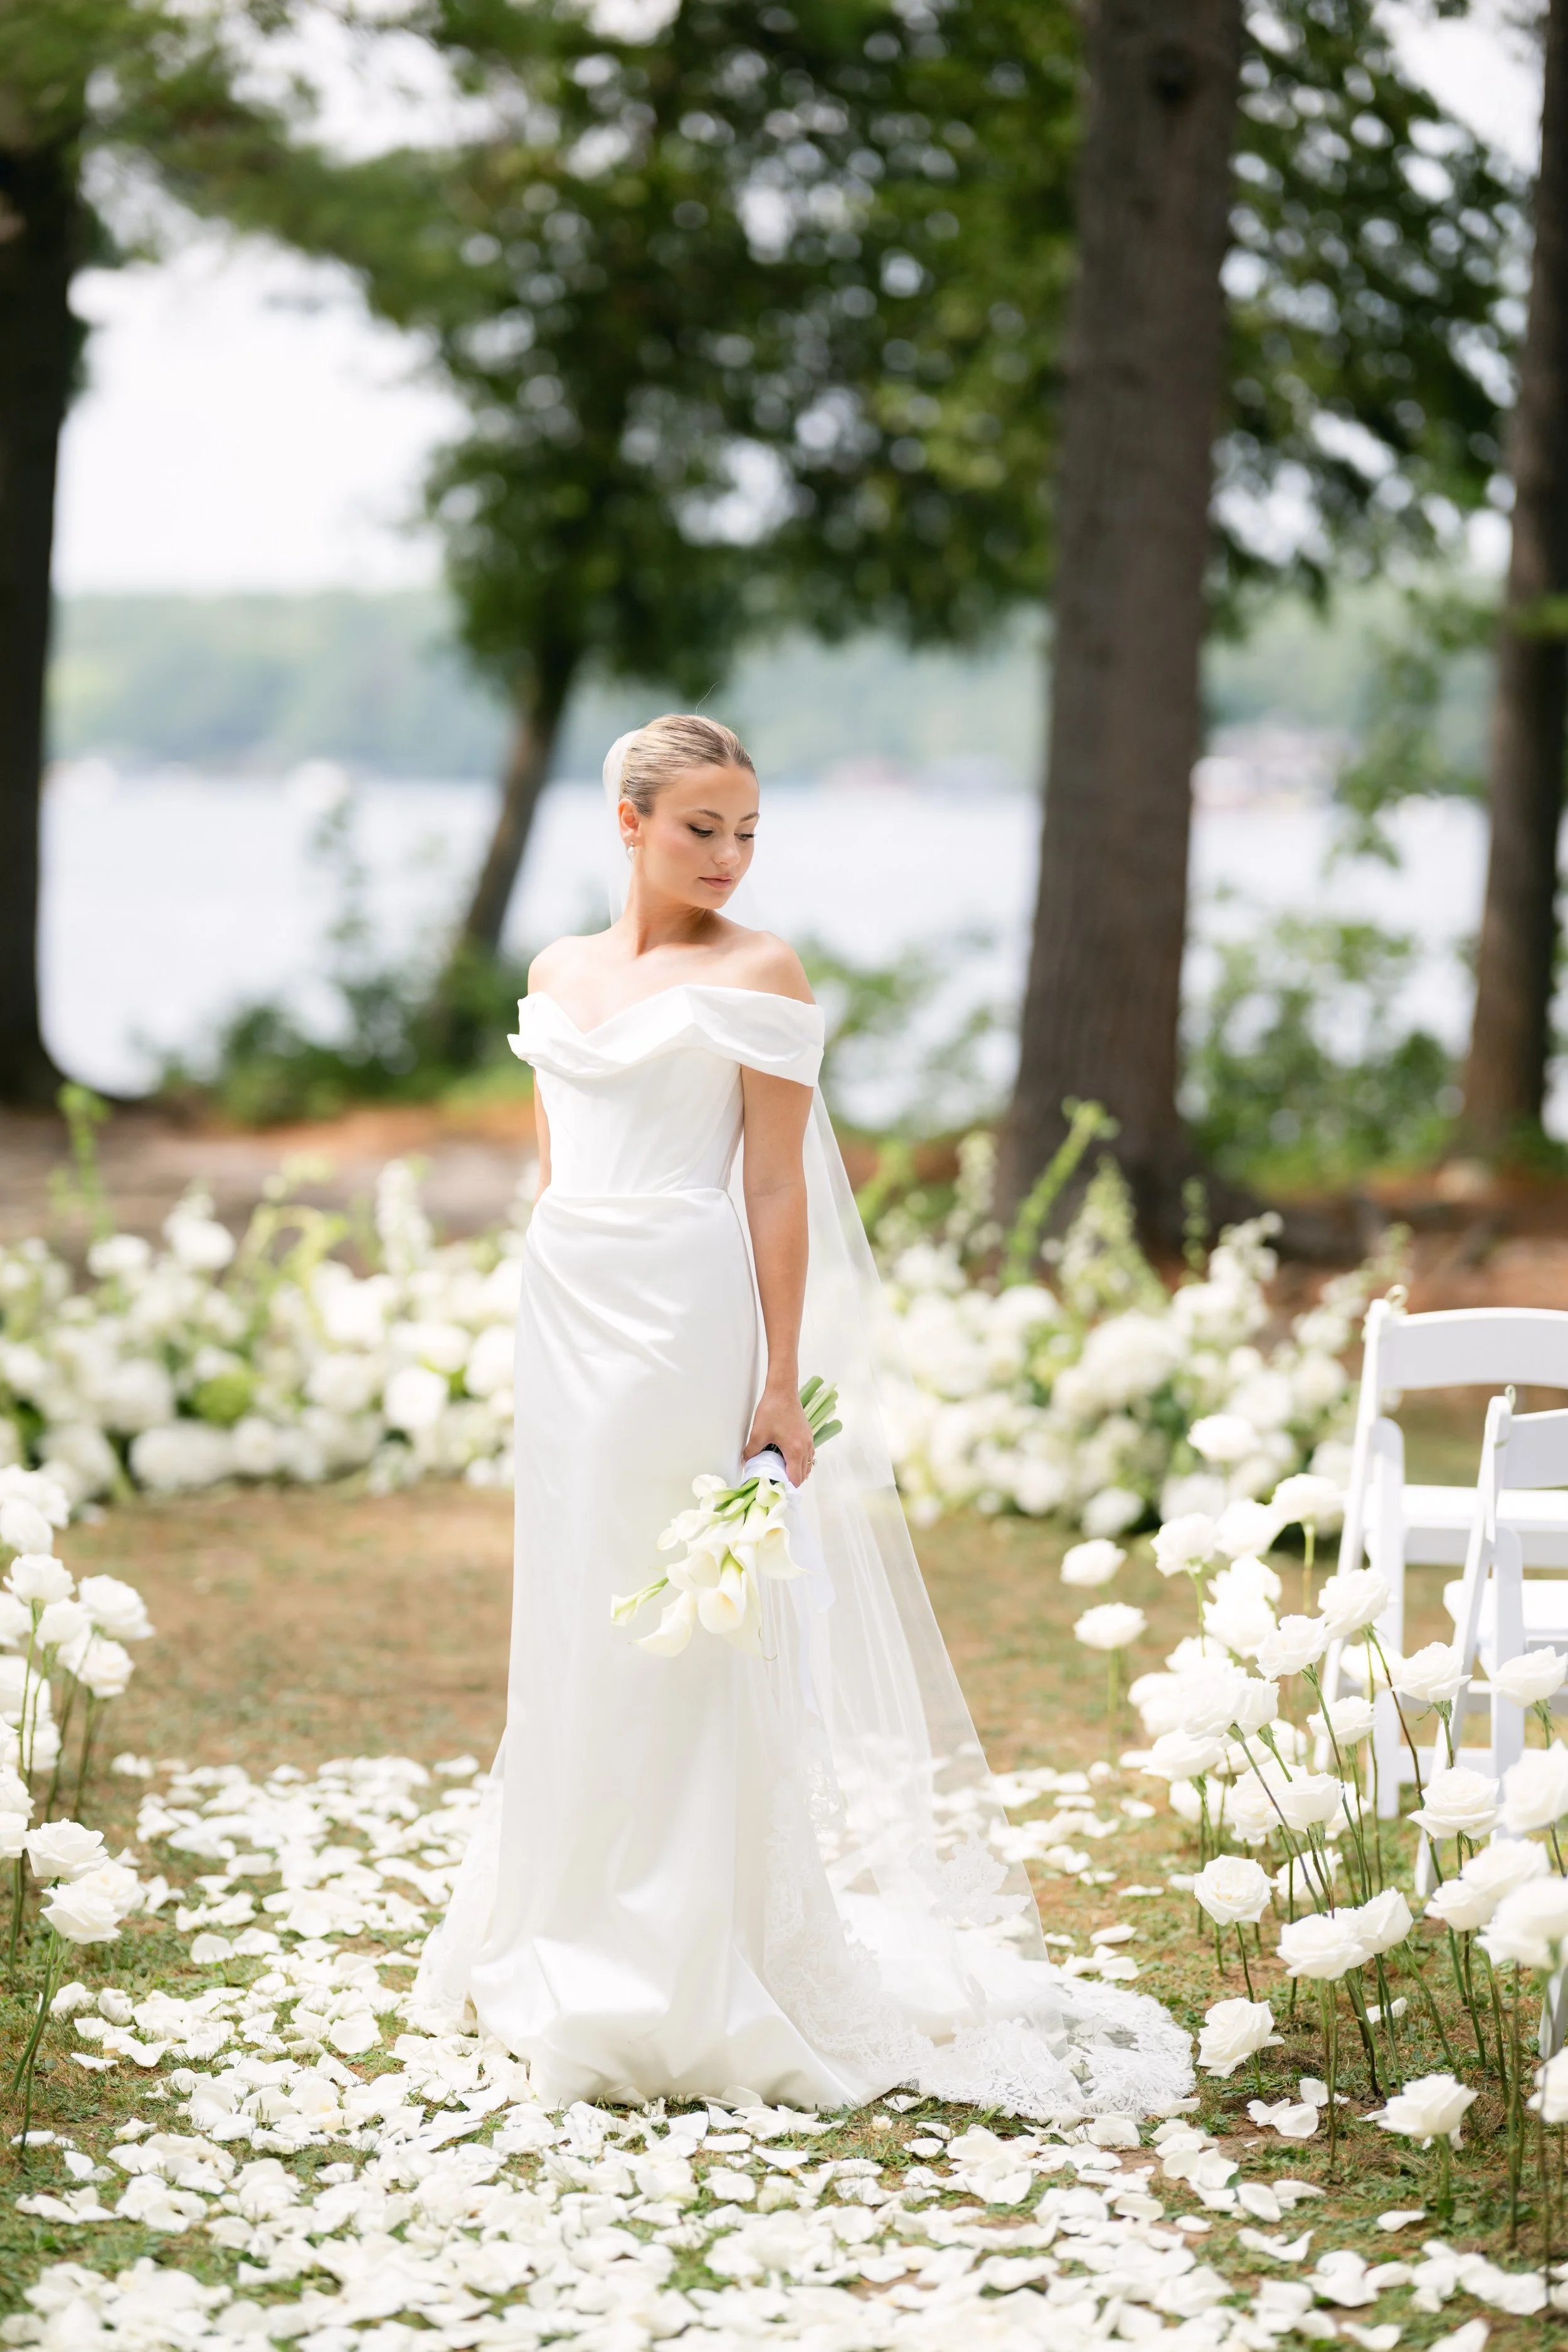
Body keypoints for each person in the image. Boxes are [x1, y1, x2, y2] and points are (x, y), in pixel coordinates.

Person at [414, 712, 1192, 2117]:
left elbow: (773, 1186)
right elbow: (554, 1160)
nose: (728, 855)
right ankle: (564, 1926)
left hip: (684, 1316)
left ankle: (687, 1956)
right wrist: (544, 1287)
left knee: (687, 1619)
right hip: (570, 1310)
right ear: (630, 826)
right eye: (701, 828)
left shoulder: (759, 971)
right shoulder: (558, 971)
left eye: (748, 832)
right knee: (577, 1612)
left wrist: (775, 1379)